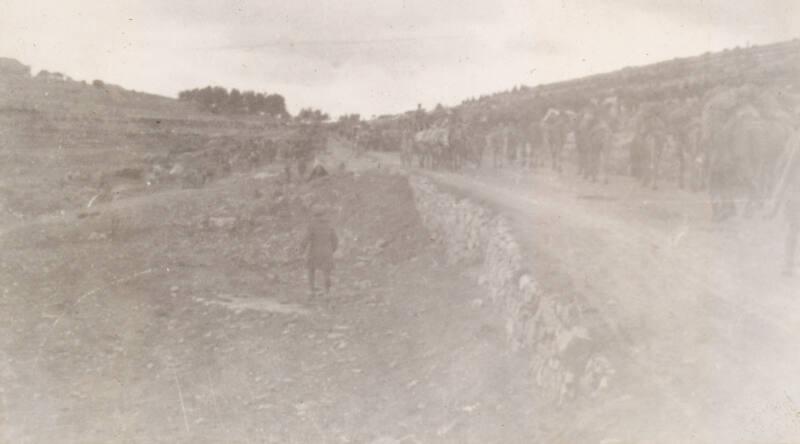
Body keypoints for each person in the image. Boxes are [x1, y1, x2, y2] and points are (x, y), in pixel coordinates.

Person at [300, 207, 339, 296]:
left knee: (311, 270)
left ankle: (311, 290)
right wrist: (332, 250)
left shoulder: (312, 226)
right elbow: (335, 240)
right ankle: (327, 292)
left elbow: (306, 238)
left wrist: (302, 248)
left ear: (316, 216)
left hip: (314, 251)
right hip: (327, 252)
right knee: (326, 272)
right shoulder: (329, 226)